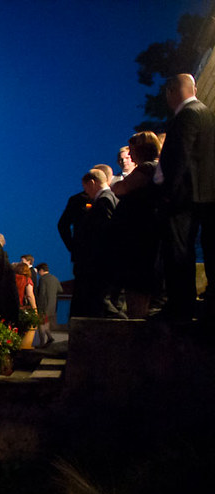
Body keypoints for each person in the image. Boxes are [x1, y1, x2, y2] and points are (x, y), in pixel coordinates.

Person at [154, 74, 215, 323]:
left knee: (178, 250)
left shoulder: (186, 115)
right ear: (195, 88)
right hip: (205, 193)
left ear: (170, 92)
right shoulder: (208, 113)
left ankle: (181, 304)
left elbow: (180, 157)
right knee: (207, 249)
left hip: (184, 197)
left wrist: (168, 193)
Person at [112, 131, 163, 319]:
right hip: (139, 237)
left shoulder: (148, 168)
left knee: (137, 288)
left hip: (140, 239)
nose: (130, 156)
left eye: (132, 151)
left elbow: (120, 188)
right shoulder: (153, 169)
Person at [74, 169, 119, 317]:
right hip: (103, 259)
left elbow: (104, 231)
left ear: (92, 183)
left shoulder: (104, 200)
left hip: (100, 260)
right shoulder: (109, 198)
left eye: (85, 187)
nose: (86, 192)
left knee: (102, 301)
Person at [35, 263, 61, 346]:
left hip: (44, 306)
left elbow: (42, 293)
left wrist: (38, 307)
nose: (39, 274)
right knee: (46, 323)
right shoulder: (55, 278)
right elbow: (60, 290)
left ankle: (42, 342)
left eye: (39, 272)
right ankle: (50, 338)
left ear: (41, 270)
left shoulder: (43, 279)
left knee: (41, 324)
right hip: (52, 306)